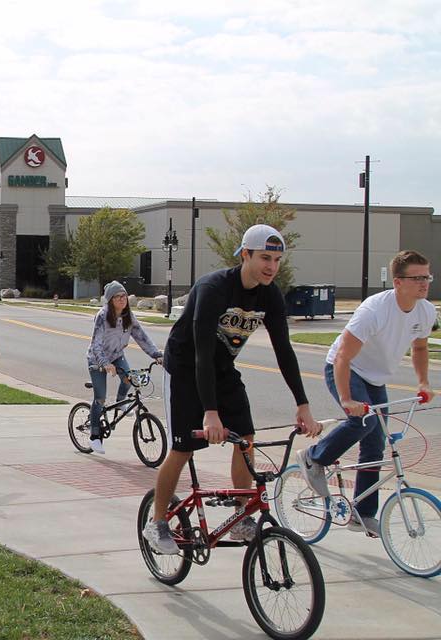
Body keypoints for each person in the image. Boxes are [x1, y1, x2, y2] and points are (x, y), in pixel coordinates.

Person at [142, 224, 322, 554]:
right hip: (185, 367)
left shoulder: (270, 294)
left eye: (278, 259)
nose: (271, 266)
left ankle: (240, 518)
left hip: (222, 369)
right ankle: (157, 522)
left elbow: (284, 350)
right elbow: (201, 352)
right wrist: (210, 413)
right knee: (183, 448)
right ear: (245, 255)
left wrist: (303, 403)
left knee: (245, 439)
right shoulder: (214, 288)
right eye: (265, 257)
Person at [297, 250, 436, 534]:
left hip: (375, 378)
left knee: (375, 444)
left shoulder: (425, 310)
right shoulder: (374, 310)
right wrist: (347, 399)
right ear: (397, 282)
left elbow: (420, 348)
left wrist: (423, 382)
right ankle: (314, 456)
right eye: (417, 277)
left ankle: (362, 513)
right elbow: (343, 358)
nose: (425, 283)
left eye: (427, 276)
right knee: (363, 421)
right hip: (346, 369)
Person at [86, 281, 163, 454]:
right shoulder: (103, 316)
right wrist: (105, 364)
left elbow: (141, 337)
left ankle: (121, 402)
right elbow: (96, 343)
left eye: (124, 296)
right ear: (110, 300)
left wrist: (156, 355)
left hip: (117, 355)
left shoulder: (128, 316)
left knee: (129, 379)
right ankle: (94, 437)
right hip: (96, 360)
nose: (122, 299)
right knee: (100, 398)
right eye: (117, 297)